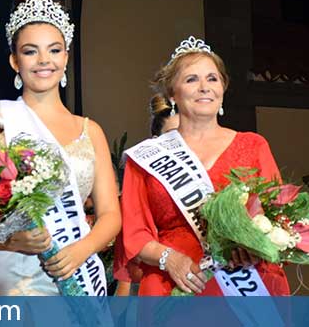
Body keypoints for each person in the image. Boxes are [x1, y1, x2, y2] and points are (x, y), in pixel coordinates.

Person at [0, 0, 121, 296]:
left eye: (54, 50)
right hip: (19, 276)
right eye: (30, 51)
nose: (43, 60)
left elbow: (111, 215)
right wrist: (9, 240)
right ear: (14, 60)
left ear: (66, 56)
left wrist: (81, 250)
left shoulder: (91, 130)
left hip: (79, 273)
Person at [119, 36, 290, 296]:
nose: (204, 87)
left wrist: (255, 246)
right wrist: (169, 259)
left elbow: (280, 215)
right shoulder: (146, 157)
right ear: (172, 94)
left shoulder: (254, 145)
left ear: (223, 88)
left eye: (212, 78)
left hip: (246, 285)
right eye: (191, 79)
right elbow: (134, 233)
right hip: (173, 284)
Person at [113, 93, 179, 296]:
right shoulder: (140, 183)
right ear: (155, 141)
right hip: (154, 287)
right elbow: (127, 264)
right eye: (173, 136)